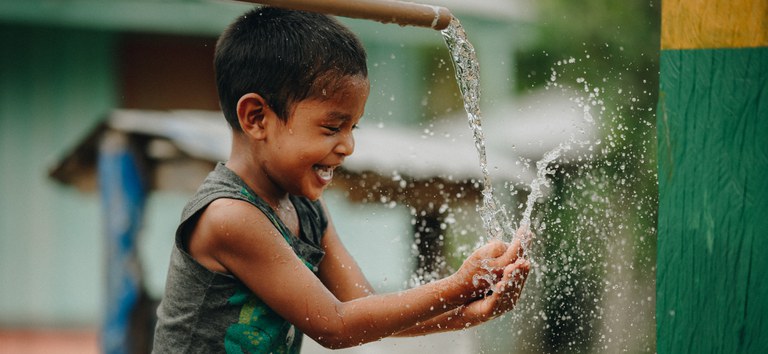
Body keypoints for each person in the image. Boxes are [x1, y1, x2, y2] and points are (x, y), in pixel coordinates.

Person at [152, 6, 530, 353]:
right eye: (332, 127)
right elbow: (335, 326)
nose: (348, 145)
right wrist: (457, 287)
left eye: (353, 127)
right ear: (256, 118)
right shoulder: (229, 217)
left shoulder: (306, 208)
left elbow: (360, 307)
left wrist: (469, 310)